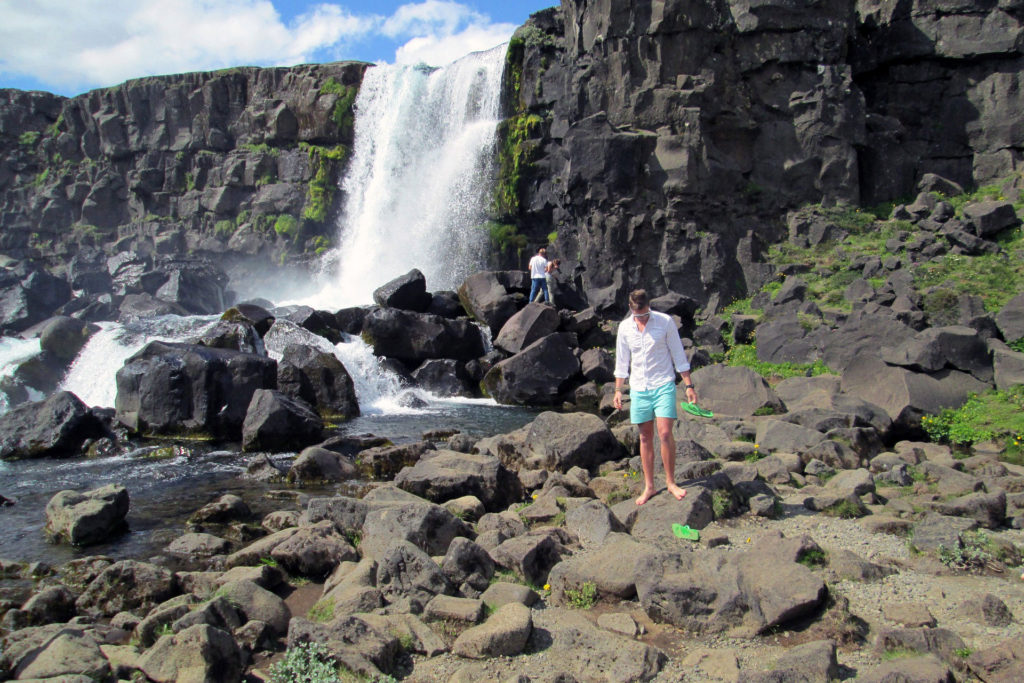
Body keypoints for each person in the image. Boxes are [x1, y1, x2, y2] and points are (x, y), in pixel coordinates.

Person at [613, 289, 697, 505]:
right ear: (631, 309)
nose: (640, 318)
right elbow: (622, 362)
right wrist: (618, 391)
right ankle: (649, 486)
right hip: (639, 388)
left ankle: (670, 482)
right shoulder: (625, 327)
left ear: (648, 306)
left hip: (663, 384)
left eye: (643, 314)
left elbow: (678, 354)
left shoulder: (665, 322)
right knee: (644, 437)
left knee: (665, 432)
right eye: (636, 315)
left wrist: (688, 385)